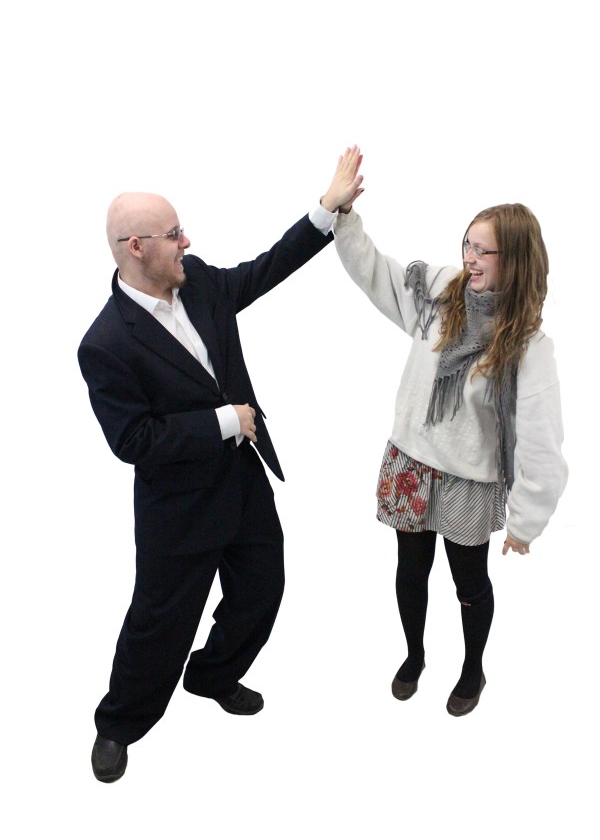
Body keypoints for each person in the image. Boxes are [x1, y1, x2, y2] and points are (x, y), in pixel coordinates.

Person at [78, 155, 363, 782]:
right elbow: (133, 440)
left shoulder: (199, 281)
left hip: (240, 484)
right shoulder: (105, 343)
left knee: (262, 588)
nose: (188, 242)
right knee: (159, 622)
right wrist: (225, 420)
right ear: (136, 248)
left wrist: (327, 206)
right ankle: (119, 724)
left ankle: (212, 676)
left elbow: (262, 272)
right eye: (175, 233)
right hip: (176, 508)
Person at [319, 145, 567, 716]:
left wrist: (526, 521)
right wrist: (343, 216)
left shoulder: (528, 348)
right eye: (467, 244)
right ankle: (413, 655)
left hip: (468, 482)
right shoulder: (440, 293)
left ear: (516, 260)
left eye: (484, 250)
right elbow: (378, 273)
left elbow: (542, 445)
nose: (470, 258)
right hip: (411, 462)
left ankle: (473, 670)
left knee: (469, 584)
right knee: (410, 570)